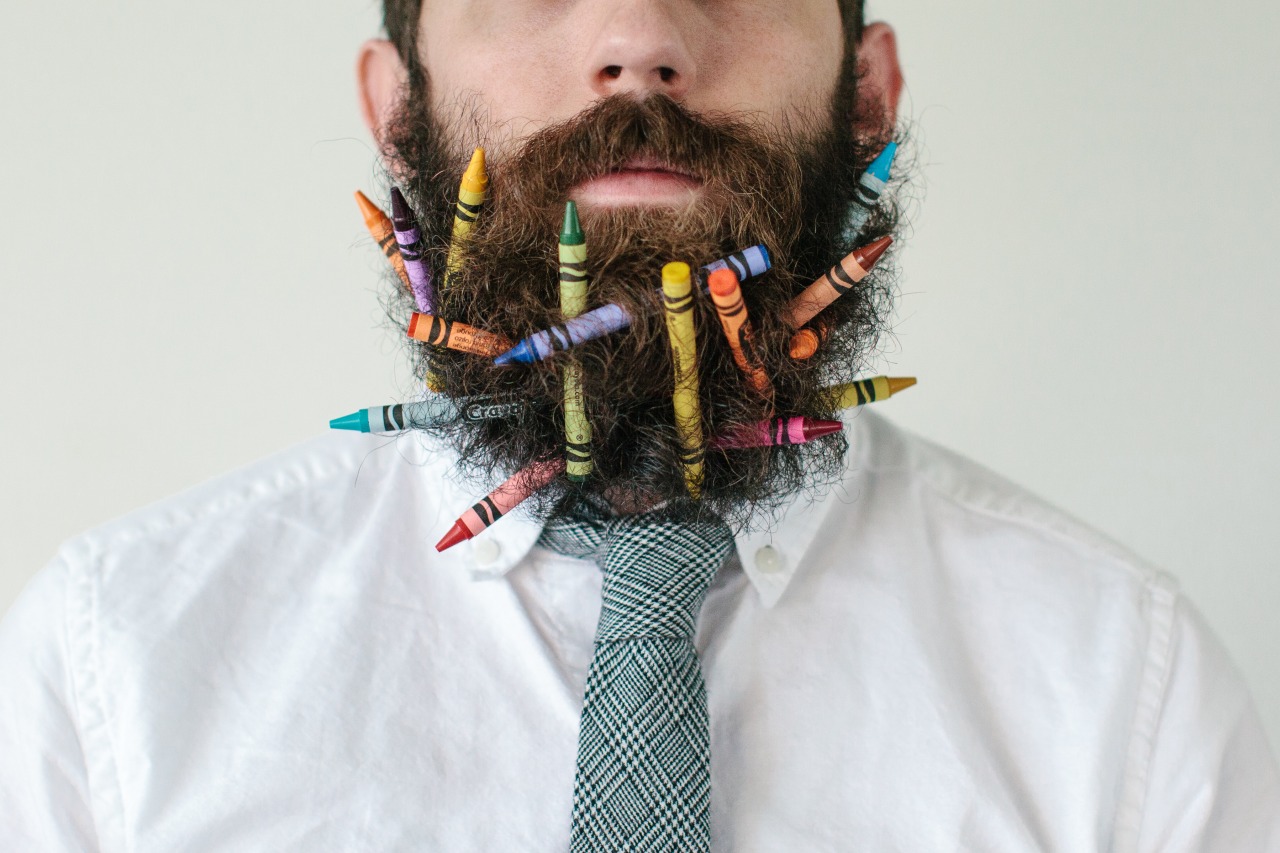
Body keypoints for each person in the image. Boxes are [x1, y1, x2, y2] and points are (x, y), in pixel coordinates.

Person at [2, 1, 1277, 849]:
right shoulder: (111, 666)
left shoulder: (1123, 686)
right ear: (396, 111)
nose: (636, 39)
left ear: (867, 95)